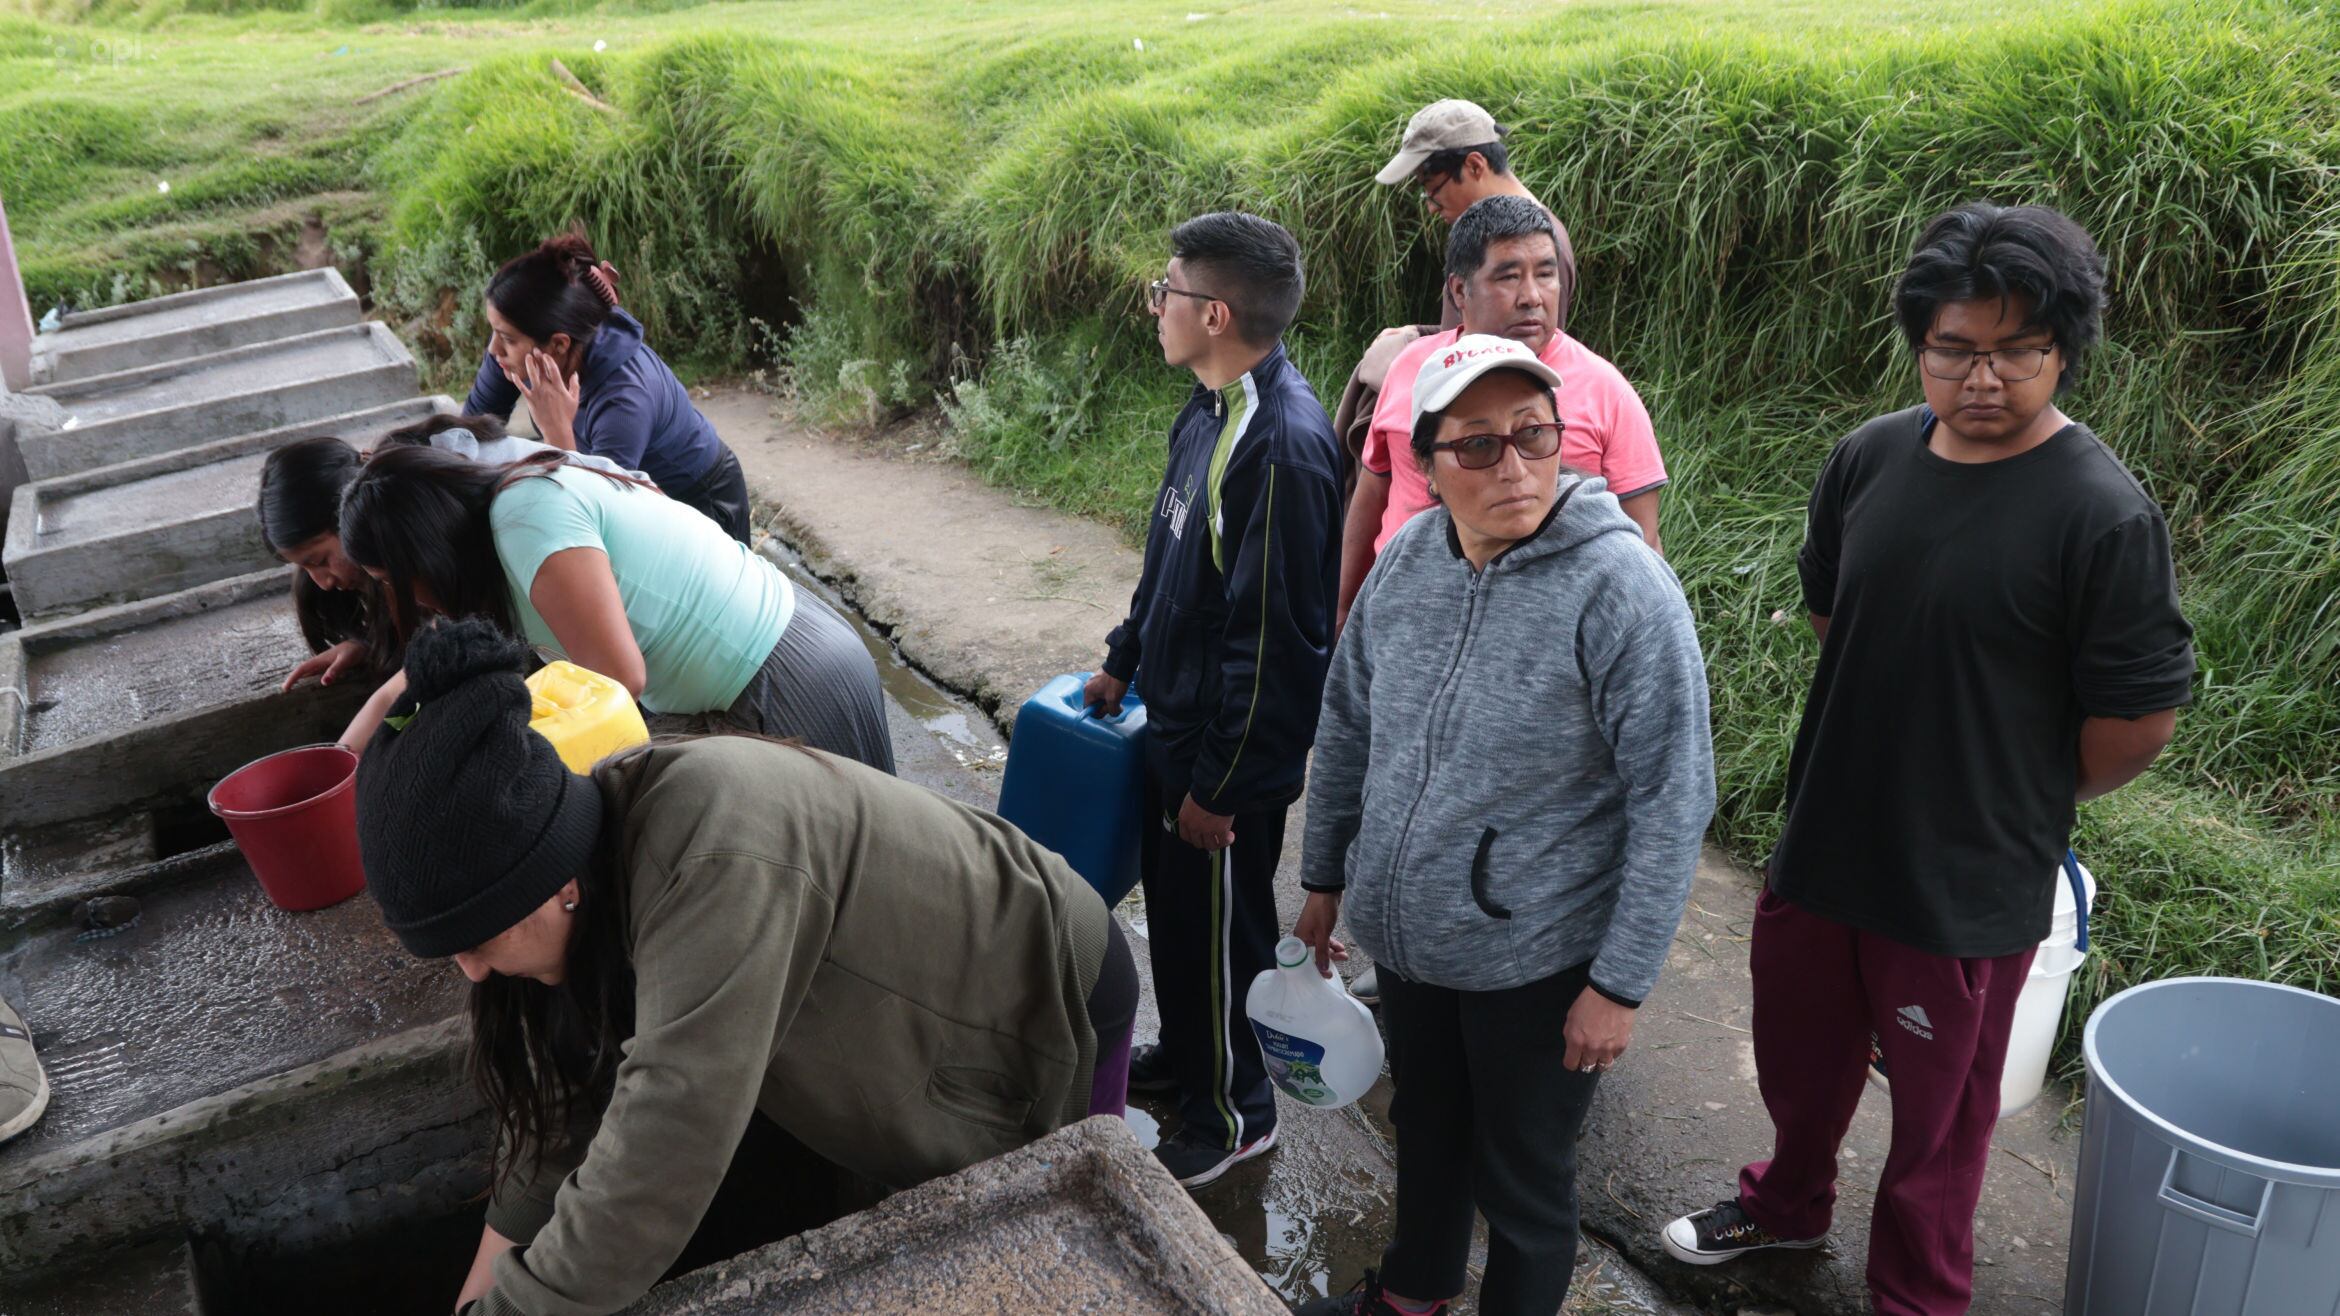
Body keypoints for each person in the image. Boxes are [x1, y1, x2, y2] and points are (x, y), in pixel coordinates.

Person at [1659, 203, 2195, 1316]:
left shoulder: (2101, 513)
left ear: (2064, 350)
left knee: (1940, 1126)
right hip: (1827, 841)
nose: (1984, 376)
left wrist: (2018, 786)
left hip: (1969, 880)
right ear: (1921, 343)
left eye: (2018, 349)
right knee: (1799, 1062)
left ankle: (1917, 1292)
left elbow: (2140, 719)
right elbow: (1831, 612)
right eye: (1956, 347)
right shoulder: (1867, 457)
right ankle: (1789, 1199)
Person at [350, 619, 1136, 1316]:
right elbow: (563, 1107)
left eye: (476, 942)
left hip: (1039, 992)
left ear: (554, 883)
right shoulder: (586, 856)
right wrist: (487, 1278)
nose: (473, 974)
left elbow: (665, 1144)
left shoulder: (716, 849)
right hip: (880, 1020)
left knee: (1047, 1258)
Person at [1294, 336, 1714, 1316]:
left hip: (1540, 958)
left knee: (1524, 1182)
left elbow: (1673, 795)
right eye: (1476, 445)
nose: (1514, 465)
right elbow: (1349, 719)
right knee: (1428, 1129)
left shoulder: (1622, 587)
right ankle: (1413, 1293)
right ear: (1427, 462)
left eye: (1533, 435)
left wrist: (1618, 984)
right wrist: (1324, 873)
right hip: (1410, 940)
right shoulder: (1405, 558)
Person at [1080, 212, 1344, 1188]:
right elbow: (1170, 555)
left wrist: (1223, 789)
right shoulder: (1206, 404)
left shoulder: (1280, 446)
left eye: (1169, 291)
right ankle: (1193, 1063)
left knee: (1225, 937)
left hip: (1225, 763)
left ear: (1217, 312)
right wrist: (1124, 655)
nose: (1157, 306)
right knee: (1181, 926)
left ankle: (1236, 1111)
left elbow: (1278, 648)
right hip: (1178, 724)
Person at [333, 443, 894, 773]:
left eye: (390, 581)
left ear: (423, 553)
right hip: (763, 670)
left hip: (785, 676)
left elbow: (617, 679)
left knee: (859, 879)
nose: (401, 600)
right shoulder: (506, 518)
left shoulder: (524, 519)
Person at [1345, 194, 1667, 634]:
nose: (1532, 297)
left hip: (1533, 636)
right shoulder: (1411, 368)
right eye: (1509, 276)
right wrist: (1345, 609)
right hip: (1401, 618)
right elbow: (1373, 492)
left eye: (1546, 274)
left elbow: (1642, 540)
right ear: (1460, 290)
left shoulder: (1606, 391)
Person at [257, 417, 651, 693]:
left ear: (349, 513)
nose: (322, 582)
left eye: (320, 560)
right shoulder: (399, 498)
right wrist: (368, 642)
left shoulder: (501, 512)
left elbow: (617, 677)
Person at [1331, 100, 1581, 491]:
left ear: (1475, 166)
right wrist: (1414, 335)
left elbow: (1527, 348)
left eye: (1434, 190)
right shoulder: (1482, 237)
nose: (1432, 207)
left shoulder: (1539, 244)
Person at [461, 233, 754, 543]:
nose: (494, 349)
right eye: (495, 332)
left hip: (697, 500)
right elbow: (468, 436)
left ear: (559, 343)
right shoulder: (517, 350)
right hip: (617, 484)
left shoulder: (624, 400)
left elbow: (596, 517)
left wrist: (557, 432)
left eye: (506, 338)